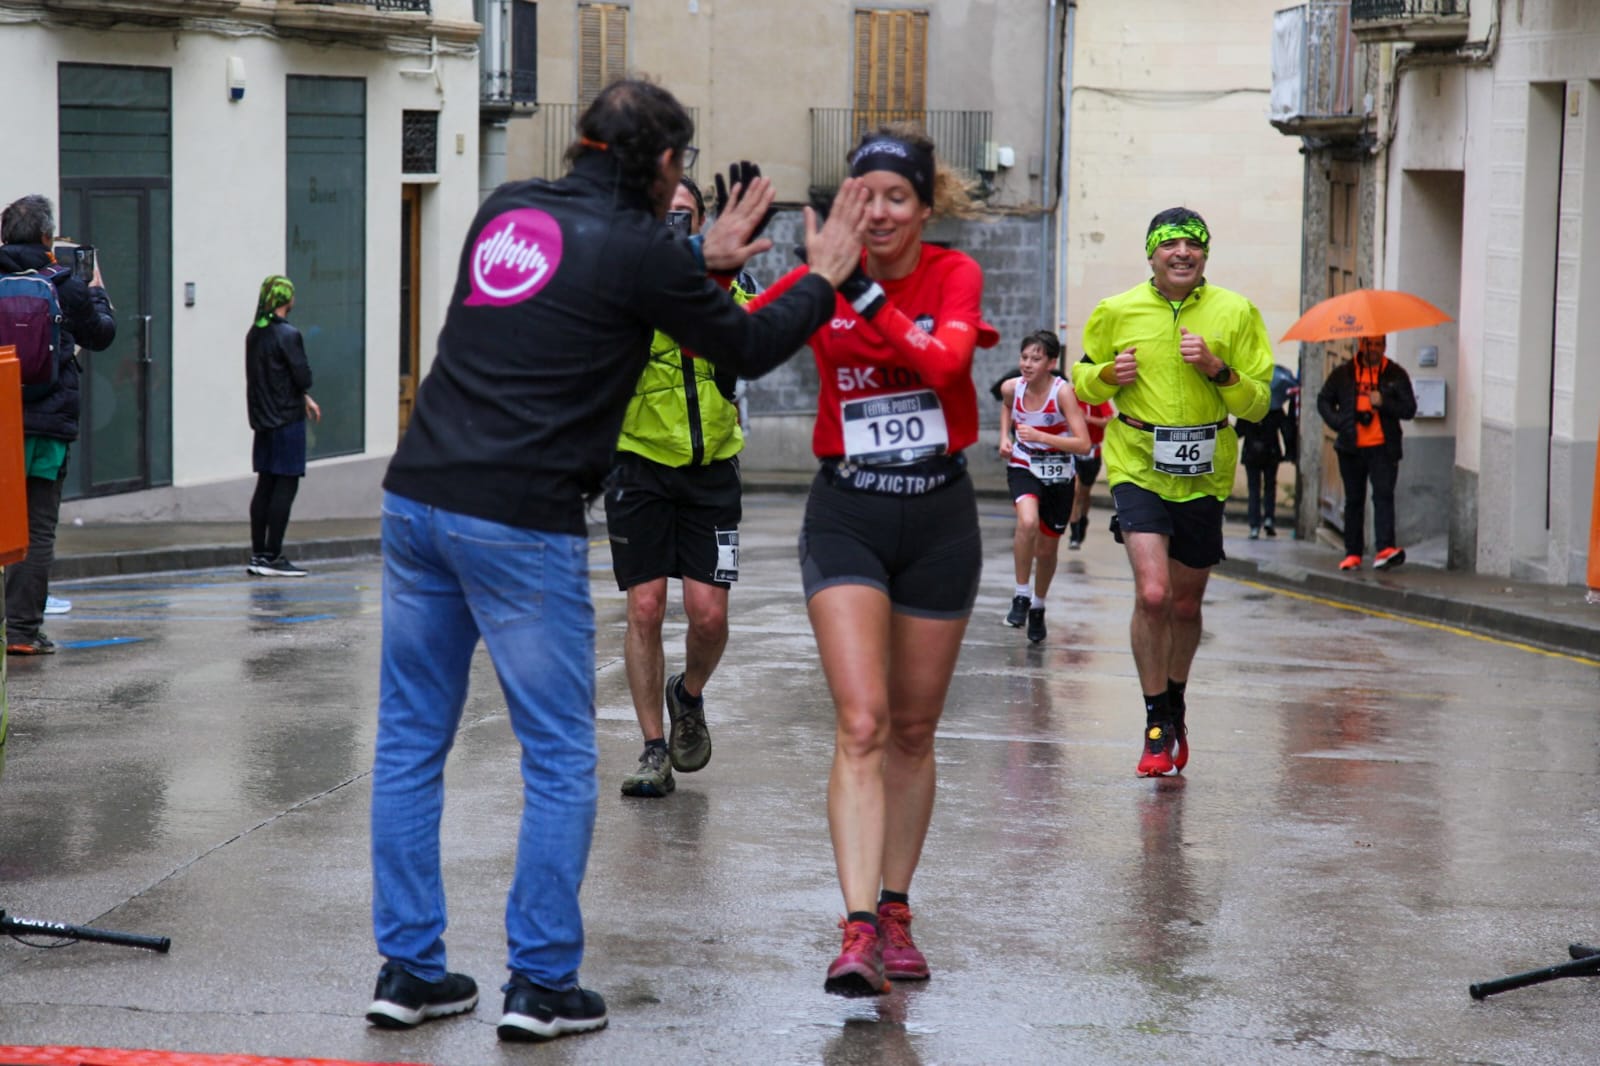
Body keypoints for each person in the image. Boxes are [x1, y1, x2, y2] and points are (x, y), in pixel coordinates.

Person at [365, 78, 870, 1041]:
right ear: (664, 165)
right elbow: (749, 344)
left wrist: (696, 258)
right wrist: (824, 275)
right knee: (557, 756)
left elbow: (590, 291)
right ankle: (542, 984)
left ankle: (408, 971)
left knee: (408, 744)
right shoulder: (641, 249)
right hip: (518, 518)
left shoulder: (507, 207)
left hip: (418, 496)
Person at [750, 124, 998, 996]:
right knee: (862, 721)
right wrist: (707, 270)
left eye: (899, 197)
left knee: (914, 729)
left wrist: (857, 286)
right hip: (848, 511)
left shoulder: (952, 276)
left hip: (938, 516)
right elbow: (735, 335)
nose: (883, 211)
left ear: (926, 208)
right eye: (868, 196)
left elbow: (945, 362)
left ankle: (896, 911)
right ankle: (856, 929)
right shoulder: (822, 281)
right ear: (846, 202)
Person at [1071, 207, 1273, 777]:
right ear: (1152, 254)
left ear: (1205, 255)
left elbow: (1258, 402)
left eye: (1193, 245)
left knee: (1185, 603)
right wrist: (1109, 376)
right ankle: (1156, 719)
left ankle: (1177, 701)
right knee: (1154, 595)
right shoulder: (1117, 310)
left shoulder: (1235, 312)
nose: (1182, 253)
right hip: (1137, 461)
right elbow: (1082, 378)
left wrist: (1218, 370)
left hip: (1205, 471)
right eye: (1171, 245)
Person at [610, 175, 757, 799]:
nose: (675, 224)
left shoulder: (729, 280)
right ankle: (650, 749)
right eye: (663, 214)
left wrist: (710, 276)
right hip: (639, 465)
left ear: (700, 223)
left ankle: (687, 694)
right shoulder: (621, 281)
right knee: (645, 608)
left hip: (712, 469)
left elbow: (747, 337)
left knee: (709, 616)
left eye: (685, 215)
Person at [1, 194, 116, 656]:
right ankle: (23, 632)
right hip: (47, 425)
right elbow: (102, 335)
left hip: (0, 422)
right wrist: (97, 290)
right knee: (36, 527)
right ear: (48, 238)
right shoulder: (65, 285)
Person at [997, 329, 1090, 644]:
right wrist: (1004, 438)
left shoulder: (1063, 393)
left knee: (1048, 549)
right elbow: (1007, 407)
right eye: (1024, 357)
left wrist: (1043, 437)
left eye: (1036, 359)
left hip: (1060, 472)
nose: (1027, 364)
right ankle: (1021, 595)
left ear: (1051, 362)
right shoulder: (1012, 387)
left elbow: (1083, 442)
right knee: (1026, 521)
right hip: (1024, 465)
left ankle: (1038, 605)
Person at [1316, 334, 1417, 570]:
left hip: (1384, 448)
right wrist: (1339, 422)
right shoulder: (1344, 373)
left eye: (1377, 344)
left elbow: (1409, 409)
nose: (1373, 349)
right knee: (1354, 501)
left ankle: (1385, 549)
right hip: (1351, 448)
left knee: (1383, 497)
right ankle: (1353, 553)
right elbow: (1323, 401)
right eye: (1368, 344)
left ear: (1384, 346)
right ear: (1361, 345)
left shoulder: (1395, 374)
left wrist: (1383, 402)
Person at [245, 274, 321, 578]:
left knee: (265, 485)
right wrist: (303, 394)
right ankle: (274, 555)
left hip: (263, 420)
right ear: (285, 299)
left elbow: (272, 377)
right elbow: (302, 376)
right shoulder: (288, 335)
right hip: (287, 421)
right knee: (285, 485)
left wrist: (305, 398)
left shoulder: (255, 333)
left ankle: (258, 554)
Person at [1234, 388, 1291, 539]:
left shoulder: (1248, 408)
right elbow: (1286, 430)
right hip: (1271, 452)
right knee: (1270, 486)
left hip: (1251, 453)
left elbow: (1238, 432)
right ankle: (1269, 519)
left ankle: (1254, 525)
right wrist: (1290, 452)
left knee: (1254, 489)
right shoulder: (1276, 408)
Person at [1066, 397, 1113, 549]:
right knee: (1075, 490)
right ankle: (1074, 534)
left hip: (1092, 452)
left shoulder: (1096, 397)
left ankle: (1083, 520)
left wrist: (1087, 418)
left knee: (1084, 494)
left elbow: (1109, 420)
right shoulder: (1070, 396)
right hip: (1074, 450)